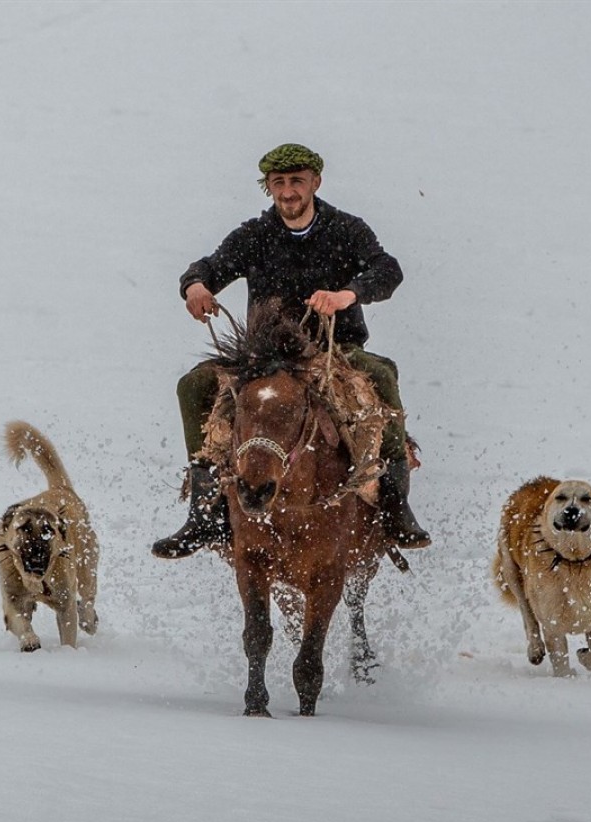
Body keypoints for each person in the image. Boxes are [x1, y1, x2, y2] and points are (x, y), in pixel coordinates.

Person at [151, 142, 431, 559]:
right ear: (268, 188)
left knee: (382, 373)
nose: (288, 192)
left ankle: (394, 504)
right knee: (192, 385)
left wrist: (347, 295)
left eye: (296, 182)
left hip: (333, 352)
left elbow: (388, 270)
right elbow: (206, 267)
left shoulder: (346, 230)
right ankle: (205, 511)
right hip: (263, 358)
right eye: (278, 183)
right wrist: (195, 287)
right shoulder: (254, 235)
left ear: (315, 183)